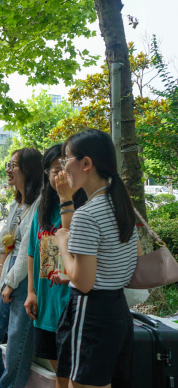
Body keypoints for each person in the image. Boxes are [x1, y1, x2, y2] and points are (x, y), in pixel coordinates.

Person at [54, 129, 138, 388]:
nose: (64, 167)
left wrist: (63, 244)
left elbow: (84, 282)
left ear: (86, 163)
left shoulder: (87, 214)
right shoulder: (120, 205)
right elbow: (132, 257)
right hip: (118, 309)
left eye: (66, 159)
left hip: (91, 312)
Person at [0, 148, 43, 388]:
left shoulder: (40, 204)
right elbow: (6, 244)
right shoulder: (17, 204)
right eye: (9, 164)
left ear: (29, 169)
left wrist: (11, 282)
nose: (8, 169)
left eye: (13, 165)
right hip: (8, 273)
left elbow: (27, 249)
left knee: (17, 350)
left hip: (25, 278)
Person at [23, 144, 86, 388]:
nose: (58, 174)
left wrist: (65, 198)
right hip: (46, 304)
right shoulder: (42, 208)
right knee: (59, 371)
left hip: (72, 303)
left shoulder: (83, 207)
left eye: (63, 166)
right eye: (52, 170)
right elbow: (32, 252)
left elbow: (76, 245)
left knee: (74, 374)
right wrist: (31, 292)